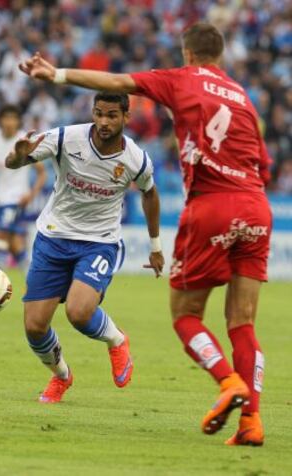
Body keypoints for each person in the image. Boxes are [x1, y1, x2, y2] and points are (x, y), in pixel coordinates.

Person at [18, 22, 272, 446]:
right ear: (222, 57)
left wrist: (57, 74)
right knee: (243, 323)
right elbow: (263, 162)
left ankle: (228, 382)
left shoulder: (183, 79)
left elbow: (118, 81)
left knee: (187, 315)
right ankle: (252, 422)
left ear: (187, 54)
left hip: (212, 205)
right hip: (256, 207)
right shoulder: (244, 97)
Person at [5, 92, 164, 404]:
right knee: (35, 326)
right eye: (99, 114)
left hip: (99, 242)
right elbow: (14, 163)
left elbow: (150, 194)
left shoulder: (136, 159)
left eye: (112, 115)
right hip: (53, 237)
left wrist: (155, 245)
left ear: (126, 117)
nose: (104, 122)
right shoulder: (66, 138)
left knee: (79, 312)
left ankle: (117, 340)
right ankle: (61, 376)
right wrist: (19, 155)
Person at [0, 104, 46, 269]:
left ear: (18, 122)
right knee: (13, 235)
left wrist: (31, 194)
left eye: (12, 118)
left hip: (18, 195)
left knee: (3, 227)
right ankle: (26, 266)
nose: (9, 122)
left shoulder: (24, 141)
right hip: (0, 194)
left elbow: (42, 173)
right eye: (5, 118)